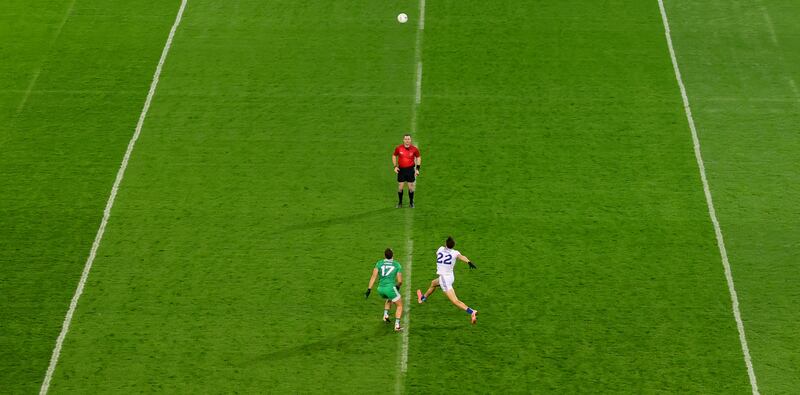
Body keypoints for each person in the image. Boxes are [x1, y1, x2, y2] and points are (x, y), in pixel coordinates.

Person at [416, 236, 479, 324]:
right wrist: (468, 262)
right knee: (433, 283)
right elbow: (461, 257)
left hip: (444, 279)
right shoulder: (455, 252)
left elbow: (438, 255)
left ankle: (471, 311)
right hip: (450, 277)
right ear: (454, 245)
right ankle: (422, 298)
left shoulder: (440, 249)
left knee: (455, 301)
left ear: (445, 244)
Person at [365, 248, 404, 331]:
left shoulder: (379, 263)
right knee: (400, 305)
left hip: (380, 289)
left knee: (389, 298)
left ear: (384, 255)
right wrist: (397, 286)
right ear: (393, 255)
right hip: (390, 289)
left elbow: (373, 276)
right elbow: (400, 281)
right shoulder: (397, 265)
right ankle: (397, 326)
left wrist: (369, 289)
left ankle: (385, 315)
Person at [392, 134, 421, 208]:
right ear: (403, 140)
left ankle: (411, 202)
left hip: (410, 170)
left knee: (411, 187)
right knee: (400, 187)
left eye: (408, 139)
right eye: (406, 139)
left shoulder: (414, 149)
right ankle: (400, 203)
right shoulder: (399, 148)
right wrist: (395, 166)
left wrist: (417, 169)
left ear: (410, 140)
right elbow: (394, 155)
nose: (407, 141)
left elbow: (418, 157)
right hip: (401, 170)